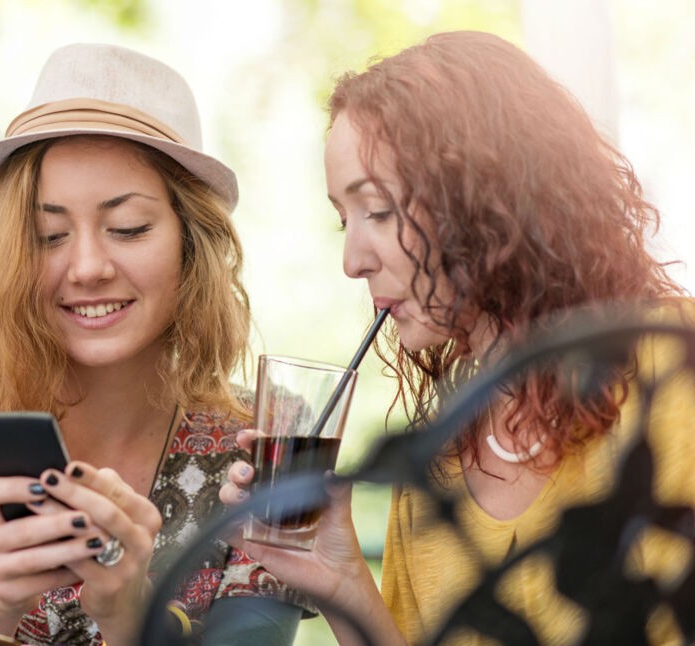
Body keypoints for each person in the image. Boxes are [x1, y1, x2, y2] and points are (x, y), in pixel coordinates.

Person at [219, 30, 695, 645]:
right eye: (344, 219)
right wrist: (339, 581)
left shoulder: (672, 364)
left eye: (378, 210)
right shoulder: (437, 457)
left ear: (488, 194)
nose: (352, 261)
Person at [0, 43, 307, 646]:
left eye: (127, 228)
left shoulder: (268, 440)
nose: (87, 268)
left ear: (193, 242)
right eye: (48, 235)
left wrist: (130, 615)